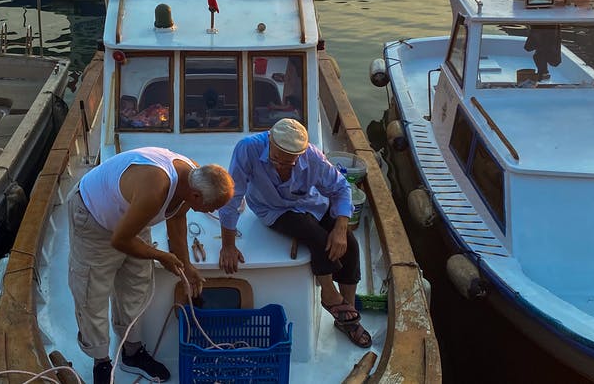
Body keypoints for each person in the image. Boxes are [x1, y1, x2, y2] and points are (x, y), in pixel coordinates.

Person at [69, 147, 234, 384]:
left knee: (137, 284)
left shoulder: (194, 177)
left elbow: (177, 218)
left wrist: (186, 266)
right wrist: (161, 256)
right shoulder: (156, 190)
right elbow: (120, 240)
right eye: (213, 206)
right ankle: (101, 362)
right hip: (94, 218)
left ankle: (132, 352)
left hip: (133, 217)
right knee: (92, 293)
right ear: (196, 196)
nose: (214, 212)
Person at [217, 119, 372, 348]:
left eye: (289, 163)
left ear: (301, 154)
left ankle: (346, 313)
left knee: (349, 242)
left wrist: (340, 228)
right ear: (269, 139)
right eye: (277, 159)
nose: (281, 166)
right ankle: (330, 296)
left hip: (309, 203)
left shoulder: (313, 156)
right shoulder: (247, 148)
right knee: (315, 236)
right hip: (272, 208)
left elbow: (341, 188)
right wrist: (228, 245)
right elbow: (232, 198)